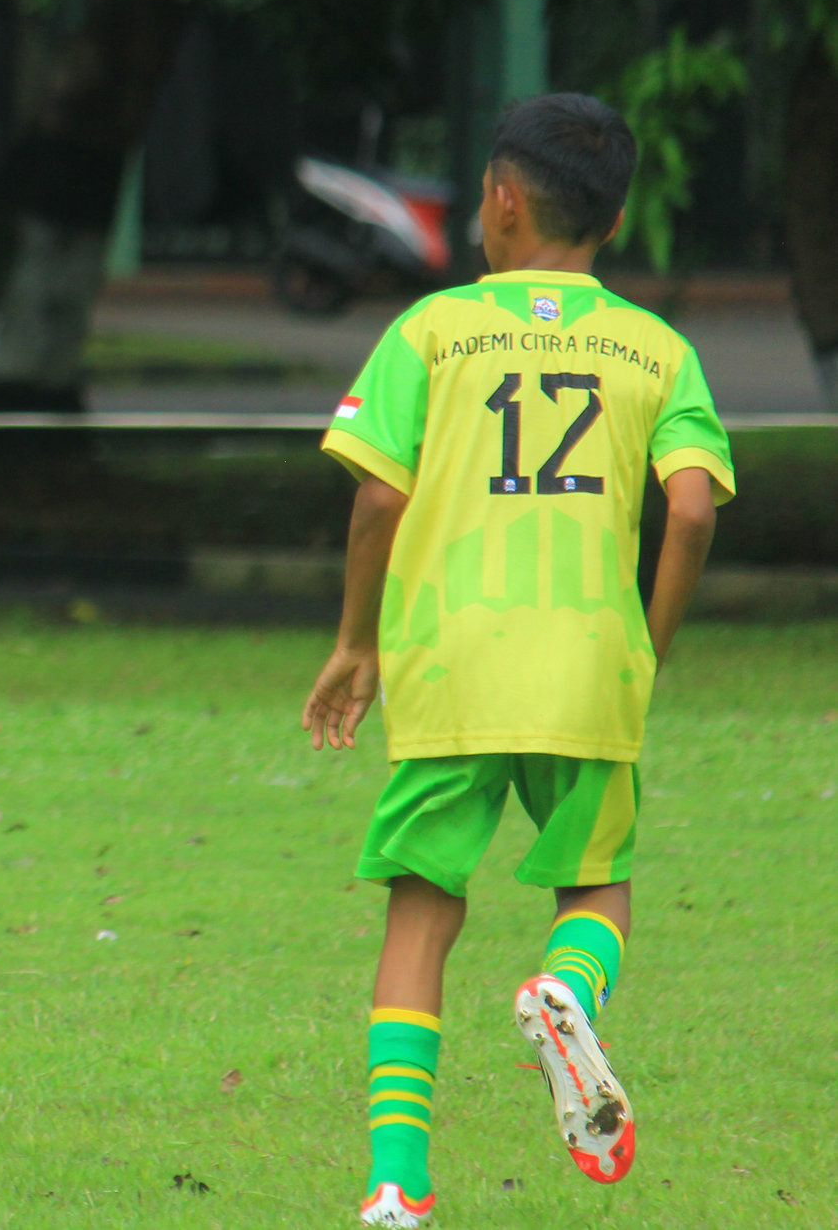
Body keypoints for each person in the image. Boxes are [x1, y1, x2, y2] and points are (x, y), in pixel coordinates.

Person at [301, 93, 733, 1230]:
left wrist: (355, 642)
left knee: (421, 908)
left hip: (447, 659)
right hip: (588, 657)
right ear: (618, 215)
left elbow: (377, 497)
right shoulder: (657, 346)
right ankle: (566, 987)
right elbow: (689, 511)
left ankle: (397, 1182)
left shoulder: (432, 329)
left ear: (498, 198)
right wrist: (651, 641)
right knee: (595, 883)